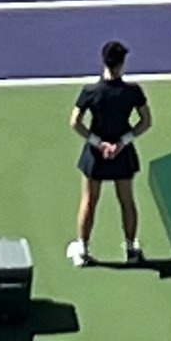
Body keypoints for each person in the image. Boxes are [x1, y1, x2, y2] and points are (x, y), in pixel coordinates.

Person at [69, 38, 151, 266]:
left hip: (96, 156)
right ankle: (131, 248)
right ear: (122, 63)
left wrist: (99, 143)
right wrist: (122, 143)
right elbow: (146, 121)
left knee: (89, 201)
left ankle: (82, 251)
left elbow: (75, 122)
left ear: (103, 61)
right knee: (126, 201)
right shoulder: (133, 92)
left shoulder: (90, 92)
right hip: (122, 154)